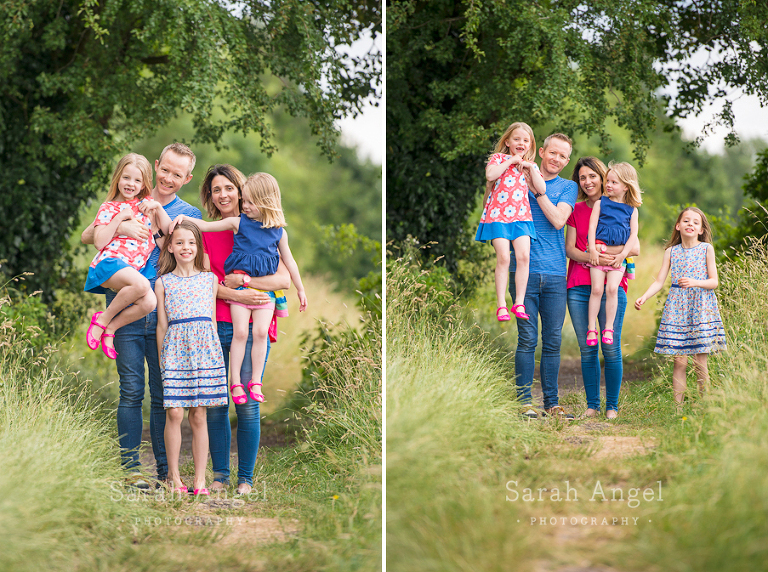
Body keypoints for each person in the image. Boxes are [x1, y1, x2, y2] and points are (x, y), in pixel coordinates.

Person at [82, 143, 202, 487]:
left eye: (177, 174)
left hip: (166, 312)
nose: (168, 177)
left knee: (164, 393)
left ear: (186, 179)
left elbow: (189, 254)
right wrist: (120, 226)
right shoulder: (128, 199)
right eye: (164, 170)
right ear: (156, 166)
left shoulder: (187, 213)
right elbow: (89, 234)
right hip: (127, 304)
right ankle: (131, 469)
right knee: (131, 390)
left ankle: (167, 471)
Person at [175, 172, 306, 405]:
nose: (244, 205)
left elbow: (288, 269)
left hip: (263, 299)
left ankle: (255, 382)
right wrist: (183, 218)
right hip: (227, 310)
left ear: (265, 201)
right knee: (240, 335)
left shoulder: (277, 233)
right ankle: (235, 382)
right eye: (244, 200)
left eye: (248, 201)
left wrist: (300, 289)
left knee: (258, 334)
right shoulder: (237, 224)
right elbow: (206, 228)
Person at [198, 164, 291, 495]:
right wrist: (232, 291)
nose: (222, 195)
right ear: (209, 195)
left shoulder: (264, 226)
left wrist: (246, 282)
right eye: (215, 190)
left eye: (228, 188)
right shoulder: (209, 231)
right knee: (217, 402)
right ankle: (220, 475)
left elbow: (283, 279)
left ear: (242, 190)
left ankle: (246, 479)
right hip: (216, 323)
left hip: (255, 324)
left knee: (248, 404)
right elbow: (205, 281)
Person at [155, 221, 228, 496]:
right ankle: (175, 478)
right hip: (174, 350)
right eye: (181, 242)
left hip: (205, 351)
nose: (186, 247)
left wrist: (214, 355)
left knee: (199, 415)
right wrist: (163, 360)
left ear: (198, 248)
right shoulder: (163, 283)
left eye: (192, 243)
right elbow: (162, 325)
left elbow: (210, 320)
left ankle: (199, 481)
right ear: (171, 247)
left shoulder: (209, 279)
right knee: (174, 412)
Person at [566, 157, 640, 419]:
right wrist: (593, 256)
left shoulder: (623, 207)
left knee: (611, 347)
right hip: (578, 286)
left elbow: (637, 247)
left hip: (613, 284)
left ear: (604, 177)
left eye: (593, 176)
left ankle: (613, 406)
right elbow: (571, 249)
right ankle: (592, 405)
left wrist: (609, 254)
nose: (588, 182)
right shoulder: (576, 210)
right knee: (588, 348)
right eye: (582, 178)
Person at [511, 133, 578, 419]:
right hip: (522, 273)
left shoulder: (568, 187)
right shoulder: (515, 177)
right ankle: (524, 403)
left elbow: (559, 219)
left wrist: (537, 191)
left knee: (552, 342)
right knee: (527, 340)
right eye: (554, 153)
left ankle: (551, 404)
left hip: (554, 273)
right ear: (541, 152)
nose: (558, 160)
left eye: (564, 156)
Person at [635, 207, 726, 408]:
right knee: (680, 362)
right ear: (678, 226)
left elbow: (714, 281)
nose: (690, 224)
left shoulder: (706, 249)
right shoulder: (671, 252)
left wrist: (695, 282)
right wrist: (644, 296)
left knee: (700, 362)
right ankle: (677, 408)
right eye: (686, 221)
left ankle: (705, 406)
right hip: (677, 309)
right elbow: (659, 281)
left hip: (700, 307)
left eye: (695, 222)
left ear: (701, 229)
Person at [84, 153, 172, 359]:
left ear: (143, 184)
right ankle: (102, 320)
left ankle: (111, 328)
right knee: (142, 286)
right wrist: (120, 219)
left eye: (137, 180)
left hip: (133, 268)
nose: (130, 184)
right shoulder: (108, 207)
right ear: (118, 178)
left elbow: (166, 233)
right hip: (110, 264)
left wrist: (158, 207)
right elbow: (98, 241)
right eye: (126, 178)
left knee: (150, 302)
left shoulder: (147, 205)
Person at [476, 122, 543, 321]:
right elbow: (490, 175)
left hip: (521, 217)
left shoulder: (530, 166)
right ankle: (501, 306)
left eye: (525, 140)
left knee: (523, 257)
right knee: (504, 258)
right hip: (498, 216)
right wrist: (511, 160)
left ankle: (519, 303)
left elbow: (541, 189)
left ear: (530, 145)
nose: (521, 143)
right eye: (516, 139)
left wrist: (529, 167)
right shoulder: (499, 159)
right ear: (507, 142)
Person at [585, 162, 641, 349]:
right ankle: (591, 328)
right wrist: (592, 249)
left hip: (619, 258)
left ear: (626, 186)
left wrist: (622, 255)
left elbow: (633, 235)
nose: (608, 185)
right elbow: (592, 227)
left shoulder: (632, 209)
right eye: (607, 181)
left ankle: (608, 328)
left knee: (612, 290)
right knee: (597, 290)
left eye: (614, 182)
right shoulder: (601, 203)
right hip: (598, 252)